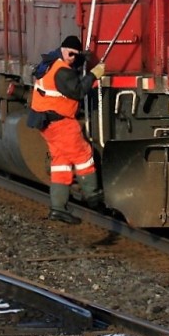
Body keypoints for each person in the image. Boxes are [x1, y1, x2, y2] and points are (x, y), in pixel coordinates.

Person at [30, 34, 106, 224]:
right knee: (83, 155)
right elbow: (78, 90)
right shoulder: (62, 71)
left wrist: (81, 61)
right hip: (61, 122)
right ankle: (94, 197)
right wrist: (94, 74)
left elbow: (67, 76)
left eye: (76, 55)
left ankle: (58, 208)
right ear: (63, 49)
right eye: (70, 54)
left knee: (61, 163)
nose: (73, 58)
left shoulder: (49, 62)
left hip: (45, 122)